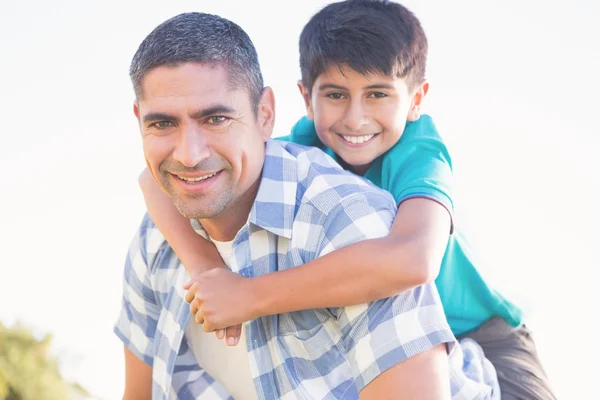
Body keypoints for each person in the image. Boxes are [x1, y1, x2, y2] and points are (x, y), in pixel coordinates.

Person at [140, 1, 555, 399]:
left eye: (377, 94)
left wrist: (248, 295)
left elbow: (413, 260)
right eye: (336, 95)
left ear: (415, 99)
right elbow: (152, 181)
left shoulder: (419, 151)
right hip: (396, 330)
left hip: (483, 336)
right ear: (306, 98)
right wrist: (208, 269)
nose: (355, 118)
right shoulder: (303, 147)